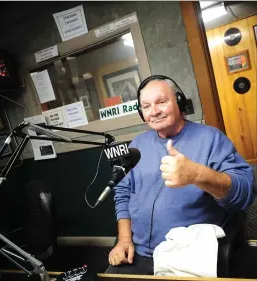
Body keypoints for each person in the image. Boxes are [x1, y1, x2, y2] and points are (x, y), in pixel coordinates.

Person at [106, 75, 255, 275]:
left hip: (190, 255)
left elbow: (244, 193)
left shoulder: (211, 138)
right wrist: (124, 239)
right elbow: (123, 192)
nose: (154, 111)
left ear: (179, 101)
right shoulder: (137, 145)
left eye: (161, 102)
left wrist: (197, 175)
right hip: (138, 252)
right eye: (146, 106)